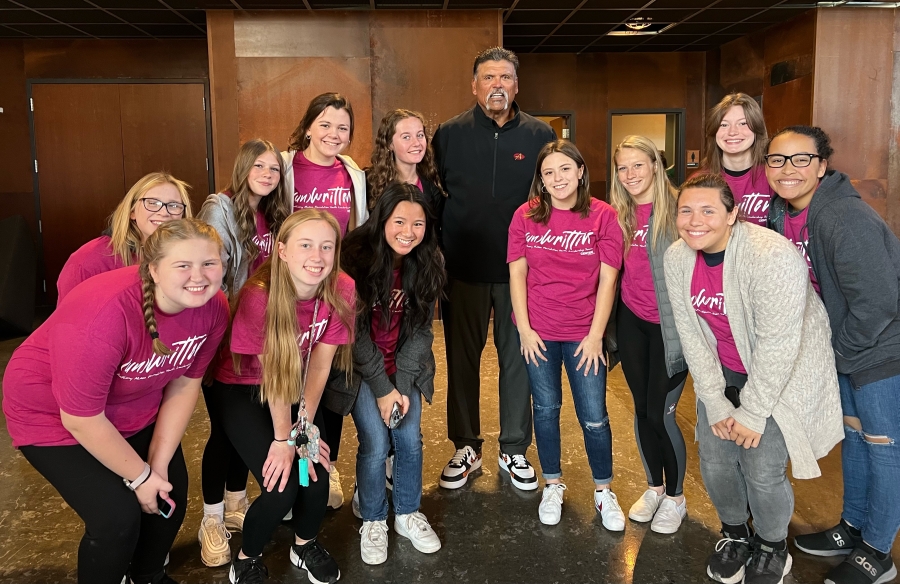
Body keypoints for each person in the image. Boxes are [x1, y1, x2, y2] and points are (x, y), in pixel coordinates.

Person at [2, 219, 229, 584]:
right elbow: (81, 418)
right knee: (116, 518)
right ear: (153, 269)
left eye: (209, 263)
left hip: (131, 402)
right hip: (52, 413)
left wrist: (156, 467)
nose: (198, 276)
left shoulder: (214, 306)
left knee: (170, 494)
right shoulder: (103, 314)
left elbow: (186, 384)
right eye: (183, 265)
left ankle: (148, 575)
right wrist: (140, 477)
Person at [664, 173, 842, 584]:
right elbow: (691, 333)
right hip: (724, 367)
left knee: (762, 467)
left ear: (733, 214)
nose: (695, 221)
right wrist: (715, 397)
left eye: (709, 210)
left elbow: (779, 345)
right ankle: (735, 534)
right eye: (686, 211)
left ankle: (772, 544)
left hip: (780, 371)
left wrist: (754, 411)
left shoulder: (770, 256)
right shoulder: (677, 257)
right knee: (715, 457)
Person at [766, 126, 900, 584]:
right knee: (857, 442)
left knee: (884, 450)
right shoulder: (780, 215)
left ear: (822, 166)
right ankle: (853, 527)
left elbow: (879, 302)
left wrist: (838, 351)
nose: (788, 170)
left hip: (880, 349)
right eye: (777, 160)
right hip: (843, 348)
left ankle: (877, 553)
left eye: (801, 159)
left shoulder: (844, 217)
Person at [433, 46, 555, 490]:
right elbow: (435, 196)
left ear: (516, 85)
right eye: (488, 77)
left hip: (520, 274)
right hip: (461, 270)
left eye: (505, 77)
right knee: (461, 362)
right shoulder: (449, 134)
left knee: (518, 360)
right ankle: (465, 446)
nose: (497, 85)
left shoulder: (541, 135)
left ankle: (514, 449)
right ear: (475, 85)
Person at [215, 209, 354, 584]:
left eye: (327, 246)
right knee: (281, 487)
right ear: (282, 251)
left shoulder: (341, 288)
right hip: (247, 388)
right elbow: (273, 374)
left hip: (297, 387)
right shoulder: (259, 296)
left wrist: (305, 426)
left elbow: (320, 365)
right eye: (305, 245)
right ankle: (247, 556)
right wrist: (283, 439)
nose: (317, 256)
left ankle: (304, 544)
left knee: (316, 476)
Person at [323, 183, 445, 564]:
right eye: (399, 221)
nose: (409, 232)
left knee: (409, 439)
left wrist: (402, 386)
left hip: (405, 370)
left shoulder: (428, 260)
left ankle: (407, 513)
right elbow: (353, 334)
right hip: (361, 371)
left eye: (418, 224)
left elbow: (424, 329)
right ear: (382, 220)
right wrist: (381, 387)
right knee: (375, 442)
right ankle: (374, 518)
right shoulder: (355, 259)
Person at [508, 139, 625, 528]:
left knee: (593, 416)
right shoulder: (525, 215)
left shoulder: (603, 216)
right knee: (545, 410)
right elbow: (517, 274)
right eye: (548, 172)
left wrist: (595, 336)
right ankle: (552, 484)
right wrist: (524, 330)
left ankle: (603, 490)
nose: (557, 178)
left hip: (584, 333)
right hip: (539, 332)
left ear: (579, 171)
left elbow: (608, 281)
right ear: (540, 180)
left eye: (564, 169)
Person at [195, 139, 291, 567]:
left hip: (264, 339)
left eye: (275, 169)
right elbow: (212, 274)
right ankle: (211, 518)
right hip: (226, 337)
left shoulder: (272, 215)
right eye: (260, 166)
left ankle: (236, 501)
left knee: (242, 427)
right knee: (223, 429)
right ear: (243, 165)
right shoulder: (221, 206)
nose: (268, 174)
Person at [282, 92, 368, 508]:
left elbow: (357, 231)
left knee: (329, 380)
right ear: (309, 124)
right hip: (289, 292)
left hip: (333, 290)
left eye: (343, 128)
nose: (334, 134)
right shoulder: (285, 168)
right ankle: (285, 473)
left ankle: (324, 466)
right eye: (327, 124)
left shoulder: (351, 173)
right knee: (286, 382)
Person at [608, 135, 689, 534]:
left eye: (638, 164)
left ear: (656, 164)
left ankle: (677, 498)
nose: (630, 174)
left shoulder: (679, 208)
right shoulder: (617, 214)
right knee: (641, 410)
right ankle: (654, 488)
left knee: (662, 414)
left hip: (671, 329)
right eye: (622, 167)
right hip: (632, 323)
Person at [57, 172, 192, 303]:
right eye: (152, 203)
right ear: (132, 211)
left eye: (174, 206)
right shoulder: (89, 259)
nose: (164, 213)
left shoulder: (191, 256)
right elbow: (68, 321)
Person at [696, 93, 771, 226]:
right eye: (724, 125)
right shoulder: (699, 181)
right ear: (714, 132)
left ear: (757, 129)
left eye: (743, 123)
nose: (732, 132)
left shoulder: (774, 175)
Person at [366, 108, 445, 234]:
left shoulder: (433, 185)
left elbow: (434, 234)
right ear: (390, 144)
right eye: (406, 137)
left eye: (420, 135)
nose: (416, 143)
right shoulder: (369, 183)